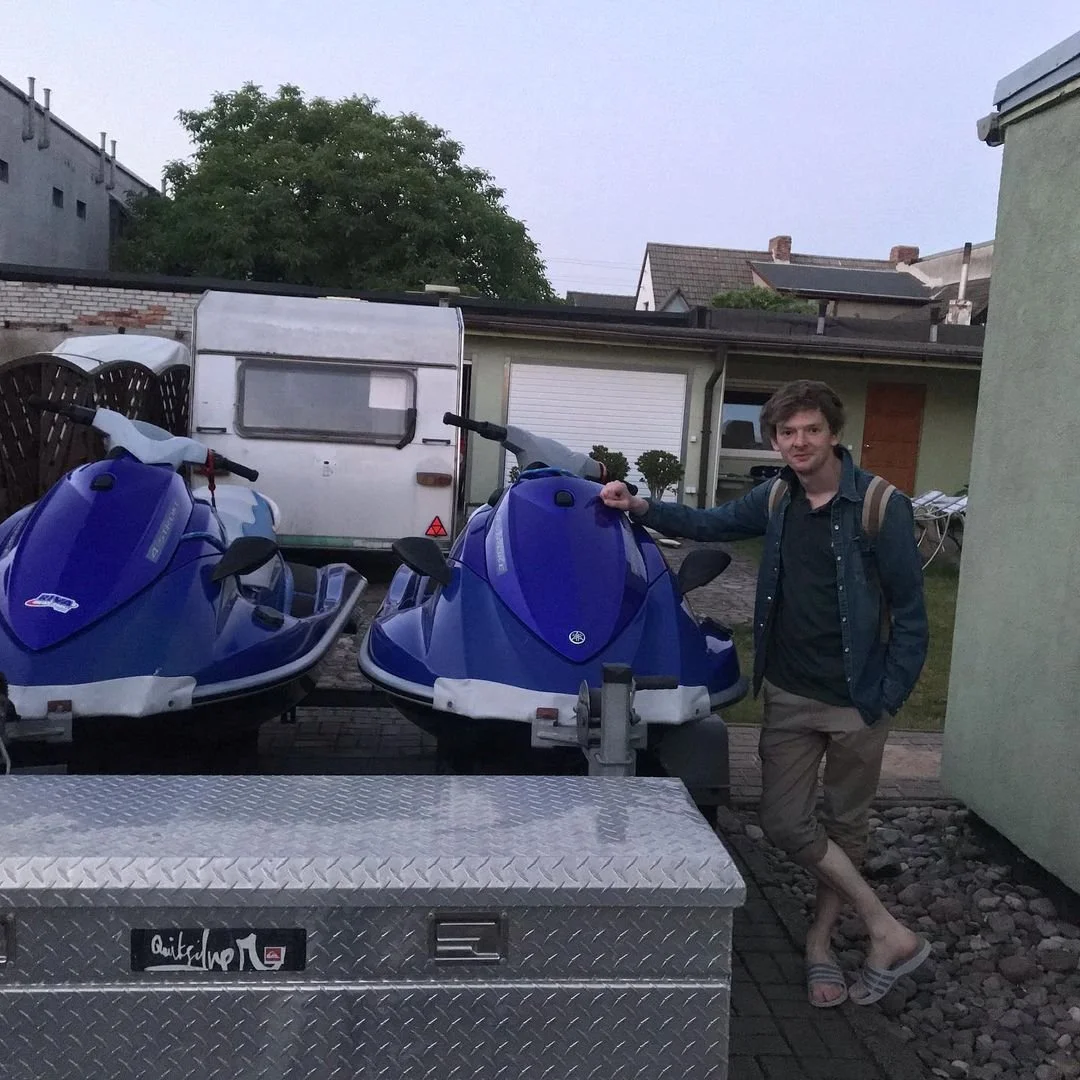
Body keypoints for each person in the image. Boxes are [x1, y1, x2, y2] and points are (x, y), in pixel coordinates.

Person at [600, 379, 931, 1008]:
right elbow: (710, 523)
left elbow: (912, 615)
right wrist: (639, 506)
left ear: (833, 433)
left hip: (859, 697)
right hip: (788, 690)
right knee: (784, 820)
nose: (799, 442)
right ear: (775, 440)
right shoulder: (778, 495)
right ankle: (887, 928)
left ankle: (820, 944)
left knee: (846, 824)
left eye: (810, 429)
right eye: (786, 432)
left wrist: (887, 695)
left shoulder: (882, 507)